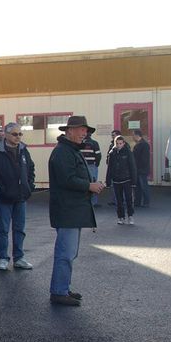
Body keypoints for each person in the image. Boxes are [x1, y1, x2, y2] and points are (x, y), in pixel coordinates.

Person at [48, 115, 106, 306]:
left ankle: (63, 288)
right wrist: (89, 186)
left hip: (72, 210)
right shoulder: (63, 152)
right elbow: (67, 179)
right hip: (68, 211)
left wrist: (91, 184)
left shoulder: (69, 150)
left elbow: (71, 178)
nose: (85, 133)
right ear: (69, 131)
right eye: (82, 129)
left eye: (86, 130)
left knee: (69, 252)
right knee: (66, 253)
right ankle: (59, 291)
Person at [0, 122, 36, 270]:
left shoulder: (24, 150)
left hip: (21, 197)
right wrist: (0, 190)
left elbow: (31, 169)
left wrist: (29, 187)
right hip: (3, 199)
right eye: (15, 134)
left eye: (20, 134)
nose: (18, 137)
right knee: (3, 229)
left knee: (19, 228)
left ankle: (19, 257)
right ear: (6, 135)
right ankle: (3, 258)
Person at [105, 134, 137, 225]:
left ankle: (130, 216)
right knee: (118, 200)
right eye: (117, 143)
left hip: (127, 179)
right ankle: (120, 217)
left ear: (123, 143)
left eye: (120, 143)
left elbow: (132, 167)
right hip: (116, 180)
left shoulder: (128, 152)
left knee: (128, 199)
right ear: (115, 143)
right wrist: (108, 181)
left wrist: (134, 181)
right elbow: (110, 168)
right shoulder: (112, 153)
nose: (119, 145)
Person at [105, 130, 128, 207]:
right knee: (113, 186)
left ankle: (123, 201)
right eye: (112, 135)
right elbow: (109, 154)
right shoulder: (112, 145)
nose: (112, 136)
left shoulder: (125, 146)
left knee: (122, 187)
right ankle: (115, 200)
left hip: (122, 171)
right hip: (114, 170)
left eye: (113, 135)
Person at [80, 131, 102, 206]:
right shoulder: (94, 143)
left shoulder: (80, 143)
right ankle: (94, 202)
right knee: (94, 183)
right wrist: (96, 164)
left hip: (82, 166)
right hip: (92, 166)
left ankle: (84, 201)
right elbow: (98, 155)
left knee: (84, 183)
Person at [132, 129, 152, 207]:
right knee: (137, 187)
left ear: (137, 135)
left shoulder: (144, 145)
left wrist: (138, 167)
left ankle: (146, 202)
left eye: (133, 135)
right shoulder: (139, 144)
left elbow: (144, 159)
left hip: (142, 170)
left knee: (144, 186)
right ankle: (137, 202)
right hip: (137, 170)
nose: (132, 137)